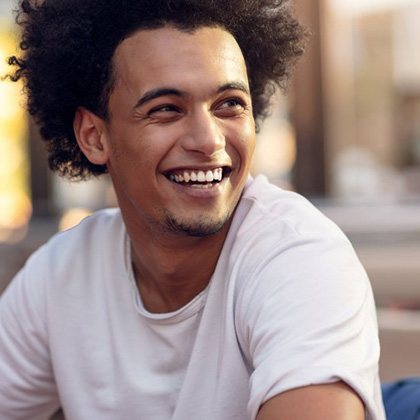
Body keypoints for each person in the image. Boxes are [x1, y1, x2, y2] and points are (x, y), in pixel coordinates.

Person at [0, 0, 385, 419]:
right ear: (93, 136)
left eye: (229, 104)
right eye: (166, 109)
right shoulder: (60, 276)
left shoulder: (300, 258)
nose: (209, 140)